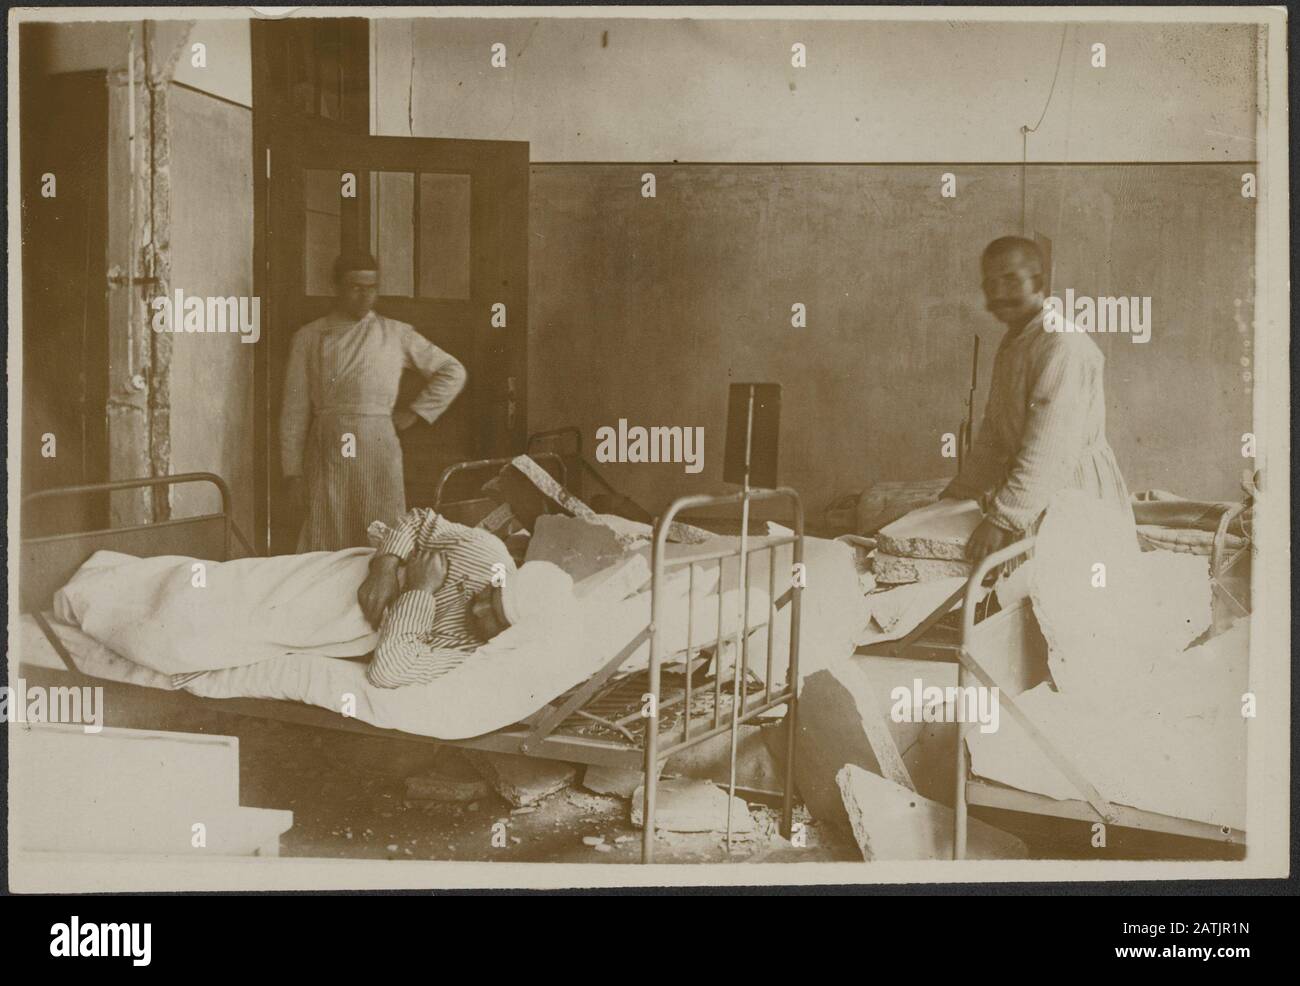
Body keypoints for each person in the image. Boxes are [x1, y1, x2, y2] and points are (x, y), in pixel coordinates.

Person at [943, 236, 1131, 562]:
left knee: (1064, 596)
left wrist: (1003, 519)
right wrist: (960, 493)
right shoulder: (1015, 341)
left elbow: (1050, 450)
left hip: (1073, 493)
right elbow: (994, 437)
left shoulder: (1062, 344)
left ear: (1038, 283)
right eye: (990, 284)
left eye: (1011, 281)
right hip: (1038, 491)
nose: (999, 294)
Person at [280, 251, 468, 551]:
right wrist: (292, 472)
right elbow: (294, 410)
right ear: (337, 287)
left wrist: (416, 412)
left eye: (372, 287)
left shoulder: (396, 333)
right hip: (329, 446)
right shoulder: (309, 337)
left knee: (381, 530)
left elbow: (452, 371)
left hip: (377, 445)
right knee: (328, 530)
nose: (365, 296)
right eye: (355, 287)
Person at [359, 507, 573, 688]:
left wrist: (421, 590)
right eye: (491, 592)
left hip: (344, 632)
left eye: (496, 618)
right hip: (343, 572)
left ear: (510, 635)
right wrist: (384, 567)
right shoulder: (487, 551)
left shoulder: (475, 654)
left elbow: (388, 672)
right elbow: (418, 519)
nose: (478, 608)